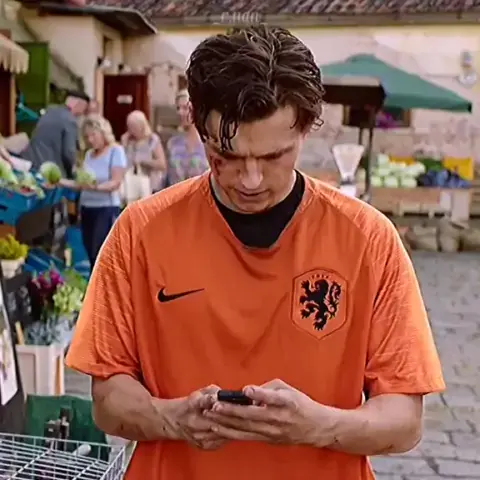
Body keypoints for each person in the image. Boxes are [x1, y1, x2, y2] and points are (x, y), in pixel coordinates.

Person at [65, 25, 444, 480]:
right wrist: (171, 419)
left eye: (273, 157)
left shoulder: (368, 239)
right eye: (225, 155)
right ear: (197, 126)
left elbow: (404, 420)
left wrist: (319, 426)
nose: (250, 180)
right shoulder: (138, 233)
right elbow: (108, 399)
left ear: (307, 128)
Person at [61, 115, 127, 267]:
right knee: (90, 251)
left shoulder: (115, 151)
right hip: (87, 208)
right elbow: (81, 184)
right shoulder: (89, 155)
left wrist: (95, 187)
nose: (90, 140)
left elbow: (115, 182)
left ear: (103, 133)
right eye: (86, 136)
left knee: (101, 253)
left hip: (105, 209)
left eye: (93, 135)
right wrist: (59, 182)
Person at [21, 91, 89, 178]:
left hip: (33, 165)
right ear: (79, 105)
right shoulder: (70, 120)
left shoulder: (49, 112)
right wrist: (73, 174)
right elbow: (68, 152)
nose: (82, 112)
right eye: (84, 108)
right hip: (51, 171)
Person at [121, 110, 167, 202]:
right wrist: (123, 145)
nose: (131, 130)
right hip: (130, 186)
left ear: (142, 125)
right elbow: (121, 162)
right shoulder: (127, 140)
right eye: (129, 126)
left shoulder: (152, 139)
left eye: (134, 126)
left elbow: (162, 164)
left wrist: (144, 162)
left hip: (150, 185)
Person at [165, 89, 209, 185]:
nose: (180, 112)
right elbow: (167, 178)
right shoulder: (172, 143)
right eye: (178, 108)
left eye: (185, 108)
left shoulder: (209, 143)